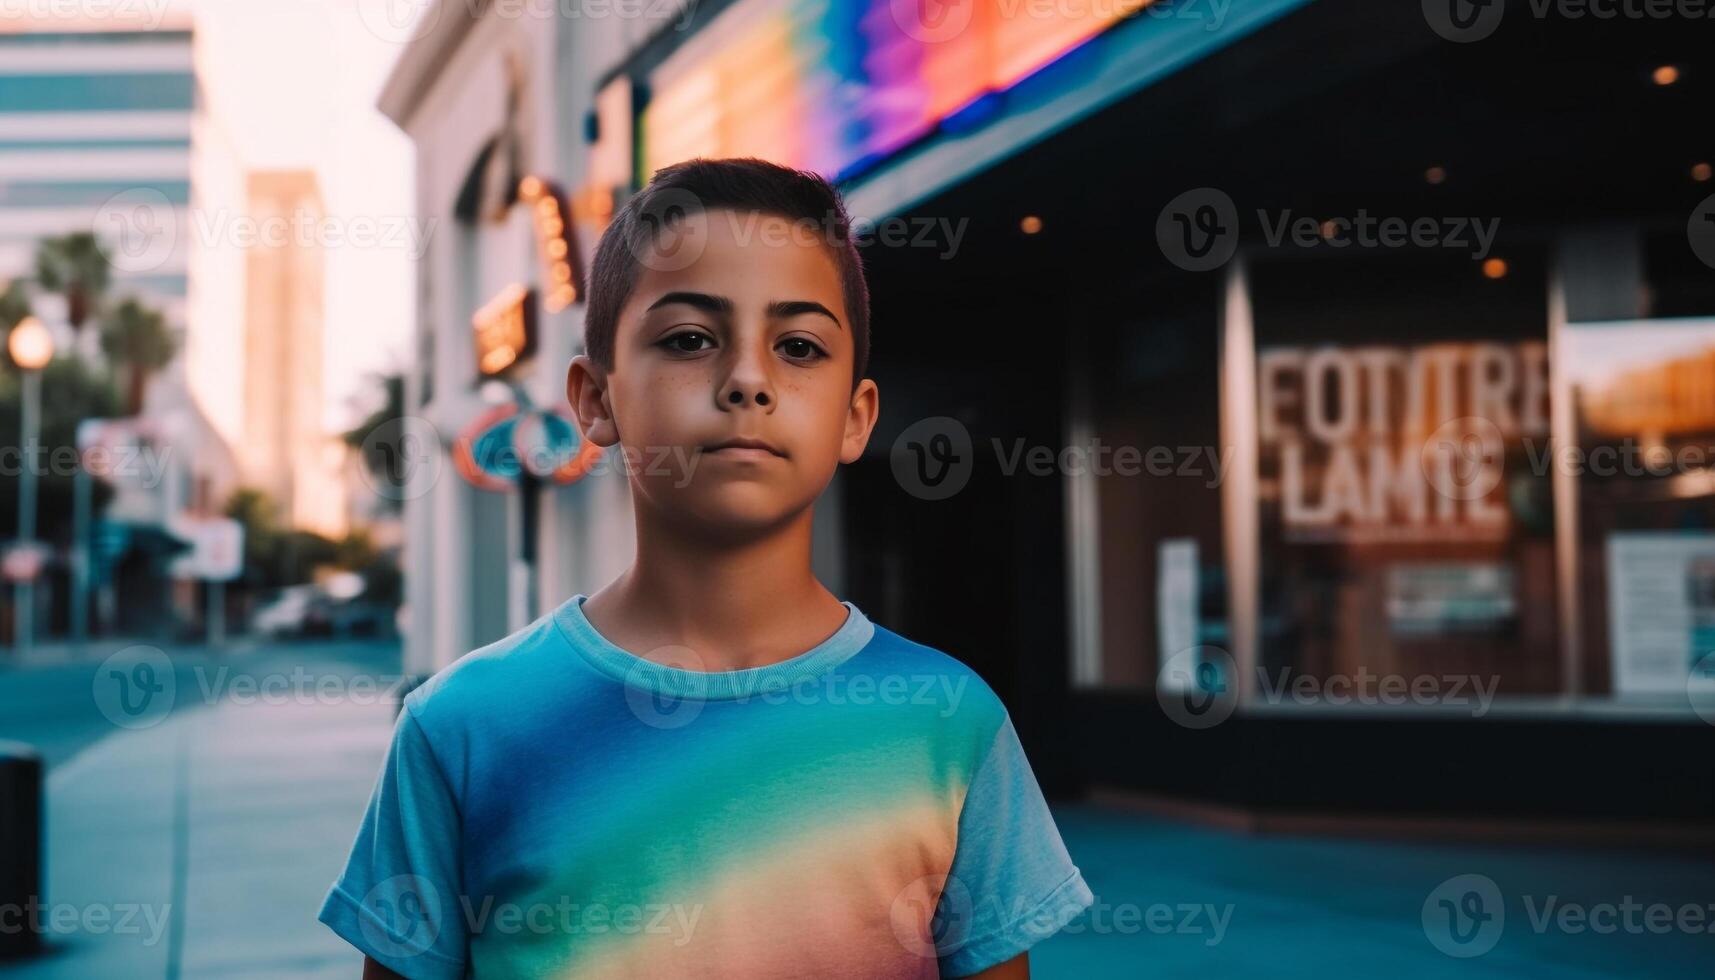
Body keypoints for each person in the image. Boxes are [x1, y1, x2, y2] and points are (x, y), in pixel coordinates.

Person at [317, 157, 1094, 978]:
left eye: (798, 346)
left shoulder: (950, 723)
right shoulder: (461, 727)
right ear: (595, 401)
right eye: (689, 339)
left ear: (855, 417)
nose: (748, 380)